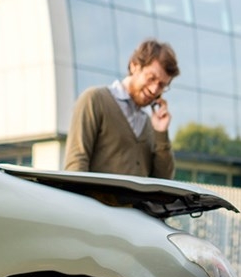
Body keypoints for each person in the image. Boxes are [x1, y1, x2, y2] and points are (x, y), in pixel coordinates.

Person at [64, 38, 179, 178]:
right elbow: (76, 164)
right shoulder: (95, 100)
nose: (154, 89)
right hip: (95, 200)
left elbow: (163, 180)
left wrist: (161, 133)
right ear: (134, 66)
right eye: (151, 78)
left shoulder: (150, 124)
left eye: (162, 85)